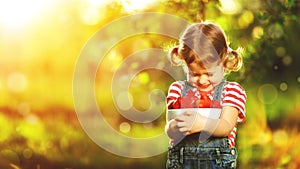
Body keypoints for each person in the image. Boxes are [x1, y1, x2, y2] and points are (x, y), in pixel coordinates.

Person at [165, 22, 246, 169]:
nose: (202, 80)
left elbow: (226, 126)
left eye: (209, 74)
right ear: (185, 64)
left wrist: (200, 123)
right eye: (194, 74)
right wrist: (177, 127)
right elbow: (169, 128)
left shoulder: (232, 91)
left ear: (224, 61)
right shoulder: (177, 89)